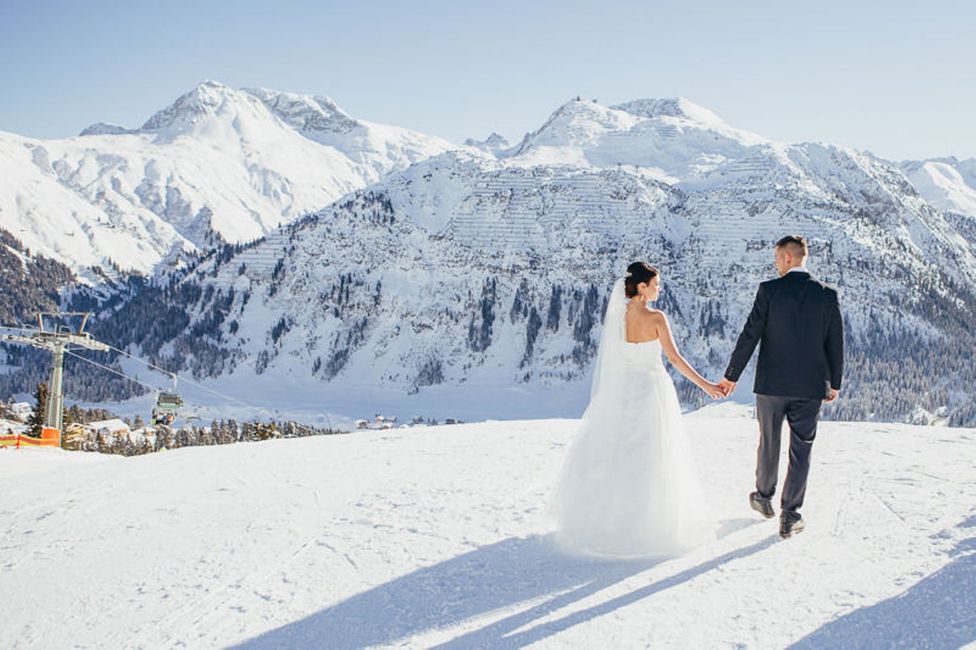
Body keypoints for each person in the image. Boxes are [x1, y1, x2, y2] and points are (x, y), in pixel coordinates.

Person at [552, 262, 721, 557]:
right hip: (652, 389)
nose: (659, 288)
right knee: (655, 456)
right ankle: (650, 525)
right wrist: (706, 385)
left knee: (619, 453)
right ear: (642, 287)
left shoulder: (619, 316)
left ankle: (609, 521)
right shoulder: (656, 317)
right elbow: (675, 359)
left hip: (622, 390)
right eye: (656, 284)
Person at [719, 235, 844, 539]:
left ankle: (763, 497)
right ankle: (791, 515)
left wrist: (731, 375)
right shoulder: (827, 294)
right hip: (810, 387)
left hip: (771, 386)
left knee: (769, 442)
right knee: (801, 450)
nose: (775, 264)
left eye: (777, 258)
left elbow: (750, 335)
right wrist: (835, 382)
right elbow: (835, 342)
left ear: (788, 257)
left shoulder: (769, 291)